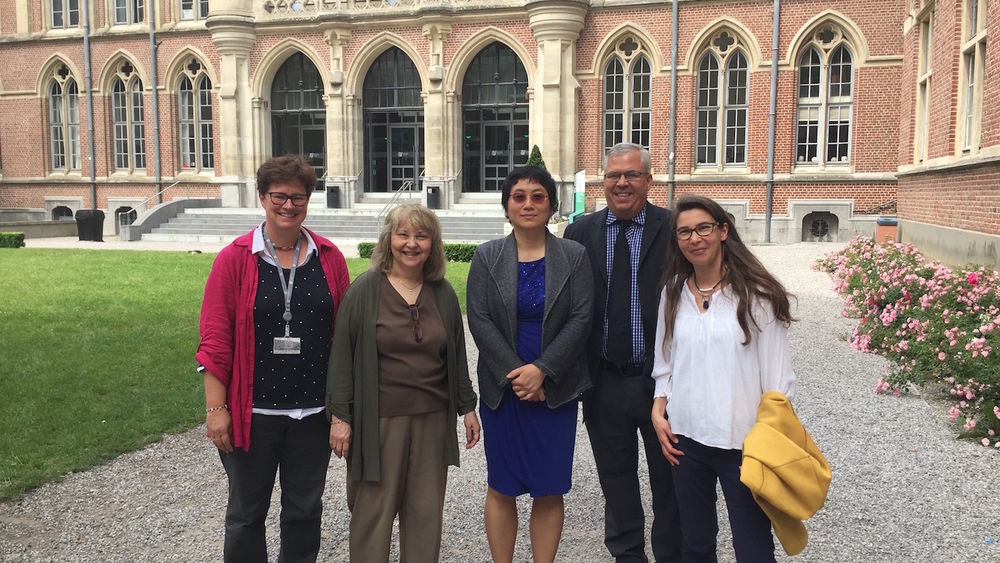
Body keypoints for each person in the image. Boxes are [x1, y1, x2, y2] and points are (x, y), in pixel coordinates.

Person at [195, 154, 351, 563]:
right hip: (253, 413)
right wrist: (216, 408)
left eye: (297, 197)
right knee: (246, 515)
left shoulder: (329, 257)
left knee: (303, 512)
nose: (288, 205)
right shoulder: (235, 259)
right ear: (262, 197)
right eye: (278, 196)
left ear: (308, 200)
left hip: (312, 414)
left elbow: (344, 338)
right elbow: (215, 341)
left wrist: (341, 411)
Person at [326, 203, 481, 563]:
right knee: (372, 515)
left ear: (433, 244)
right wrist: (340, 417)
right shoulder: (365, 291)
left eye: (421, 236)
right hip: (378, 422)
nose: (412, 244)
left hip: (431, 421)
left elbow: (455, 353)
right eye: (403, 234)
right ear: (389, 240)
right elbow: (342, 359)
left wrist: (467, 406)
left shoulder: (442, 293)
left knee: (425, 515)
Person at [650, 195, 796, 562]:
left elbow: (779, 381)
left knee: (753, 546)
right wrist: (658, 410)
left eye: (703, 228)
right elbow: (664, 363)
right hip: (686, 439)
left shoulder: (757, 295)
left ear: (723, 231)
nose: (694, 238)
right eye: (684, 232)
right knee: (695, 544)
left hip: (743, 442)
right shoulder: (672, 293)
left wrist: (768, 441)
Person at [467, 166, 594, 563]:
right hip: (503, 387)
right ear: (507, 205)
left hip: (555, 387)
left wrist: (543, 370)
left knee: (549, 486)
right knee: (502, 485)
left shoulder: (574, 256)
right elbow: (479, 319)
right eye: (519, 196)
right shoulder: (487, 256)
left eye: (538, 196)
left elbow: (581, 317)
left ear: (552, 205)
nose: (528, 204)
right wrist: (517, 374)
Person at [564, 142, 681, 563]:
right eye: (614, 175)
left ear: (649, 181)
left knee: (670, 479)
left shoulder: (675, 230)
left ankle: (671, 553)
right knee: (616, 480)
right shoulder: (580, 233)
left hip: (663, 383)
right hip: (605, 380)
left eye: (632, 175)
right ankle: (628, 554)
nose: (622, 183)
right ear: (604, 181)